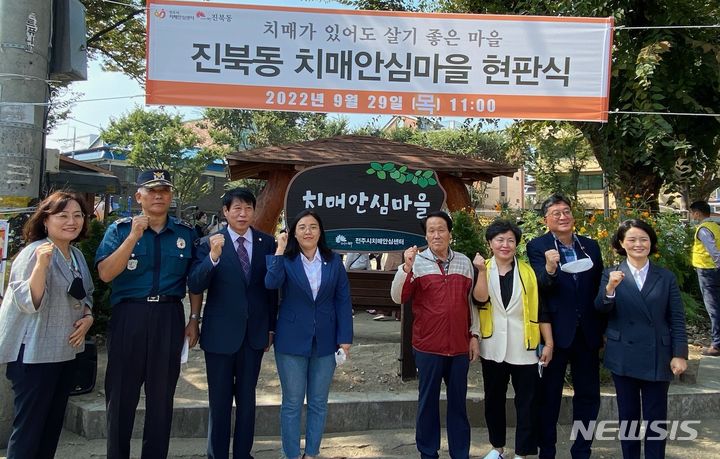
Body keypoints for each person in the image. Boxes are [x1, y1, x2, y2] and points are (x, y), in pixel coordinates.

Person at [95, 169, 197, 459]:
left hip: (168, 316)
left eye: (164, 191)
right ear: (138, 196)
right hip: (130, 315)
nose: (158, 196)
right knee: (121, 396)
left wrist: (194, 319)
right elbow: (105, 273)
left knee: (161, 398)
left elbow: (196, 282)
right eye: (151, 191)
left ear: (171, 196)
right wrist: (133, 238)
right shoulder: (120, 230)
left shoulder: (185, 233)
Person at [0, 191, 94, 459]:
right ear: (45, 220)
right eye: (62, 215)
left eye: (77, 215)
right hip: (34, 355)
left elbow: (86, 293)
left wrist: (88, 318)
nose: (71, 221)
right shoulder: (34, 252)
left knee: (51, 428)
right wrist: (41, 266)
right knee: (29, 430)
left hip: (65, 352)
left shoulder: (76, 255)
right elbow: (29, 301)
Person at [188, 188, 278, 459]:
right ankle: (217, 454)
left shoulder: (267, 243)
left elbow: (271, 291)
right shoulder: (208, 243)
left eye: (247, 208)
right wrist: (213, 257)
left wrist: (271, 327)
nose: (242, 213)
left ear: (253, 212)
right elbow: (195, 283)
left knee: (247, 401)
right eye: (236, 208)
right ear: (225, 212)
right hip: (219, 336)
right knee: (219, 402)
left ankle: (243, 453)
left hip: (254, 335)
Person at [390, 210, 480, 459]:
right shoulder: (416, 262)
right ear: (426, 235)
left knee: (458, 405)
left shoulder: (464, 262)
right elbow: (398, 296)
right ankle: (428, 452)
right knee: (427, 403)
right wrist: (406, 268)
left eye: (441, 229)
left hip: (460, 347)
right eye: (431, 230)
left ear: (450, 234)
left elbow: (471, 303)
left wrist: (475, 335)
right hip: (428, 346)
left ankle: (460, 453)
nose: (436, 234)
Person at [595, 219, 687, 459]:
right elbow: (600, 310)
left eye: (644, 239)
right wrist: (610, 289)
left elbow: (676, 318)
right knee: (628, 416)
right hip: (623, 353)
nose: (638, 244)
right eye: (632, 239)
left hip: (658, 354)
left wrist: (679, 354)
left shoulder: (664, 277)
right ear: (621, 244)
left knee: (656, 418)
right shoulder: (611, 274)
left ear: (651, 243)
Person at [265, 209, 353, 459]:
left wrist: (345, 338)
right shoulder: (287, 259)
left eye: (313, 226)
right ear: (293, 232)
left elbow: (342, 301)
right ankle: (291, 454)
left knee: (318, 402)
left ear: (320, 231)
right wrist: (279, 250)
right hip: (291, 340)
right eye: (302, 226)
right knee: (292, 403)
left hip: (326, 341)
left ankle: (311, 453)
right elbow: (270, 284)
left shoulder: (334, 261)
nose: (308, 231)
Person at [526, 194, 604, 459]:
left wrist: (602, 329)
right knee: (548, 397)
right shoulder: (537, 246)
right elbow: (540, 289)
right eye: (556, 213)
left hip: (588, 333)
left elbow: (597, 288)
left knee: (589, 396)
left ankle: (582, 450)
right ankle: (546, 451)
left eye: (567, 211)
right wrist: (549, 268)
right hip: (556, 333)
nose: (563, 217)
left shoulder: (590, 246)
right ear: (546, 220)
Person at [473, 219, 554, 459]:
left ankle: (523, 451)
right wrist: (481, 272)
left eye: (510, 240)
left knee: (527, 403)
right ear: (490, 243)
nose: (505, 245)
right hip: (493, 346)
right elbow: (478, 300)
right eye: (499, 240)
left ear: (517, 244)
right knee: (493, 400)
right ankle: (497, 447)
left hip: (525, 346)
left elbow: (542, 310)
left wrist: (548, 342)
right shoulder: (482, 268)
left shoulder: (529, 272)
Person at [688, 200, 720, 357]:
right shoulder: (716, 226)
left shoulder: (703, 230)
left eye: (692, 212)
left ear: (698, 213)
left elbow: (714, 252)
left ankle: (717, 345)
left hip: (708, 272)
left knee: (713, 308)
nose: (691, 215)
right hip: (712, 271)